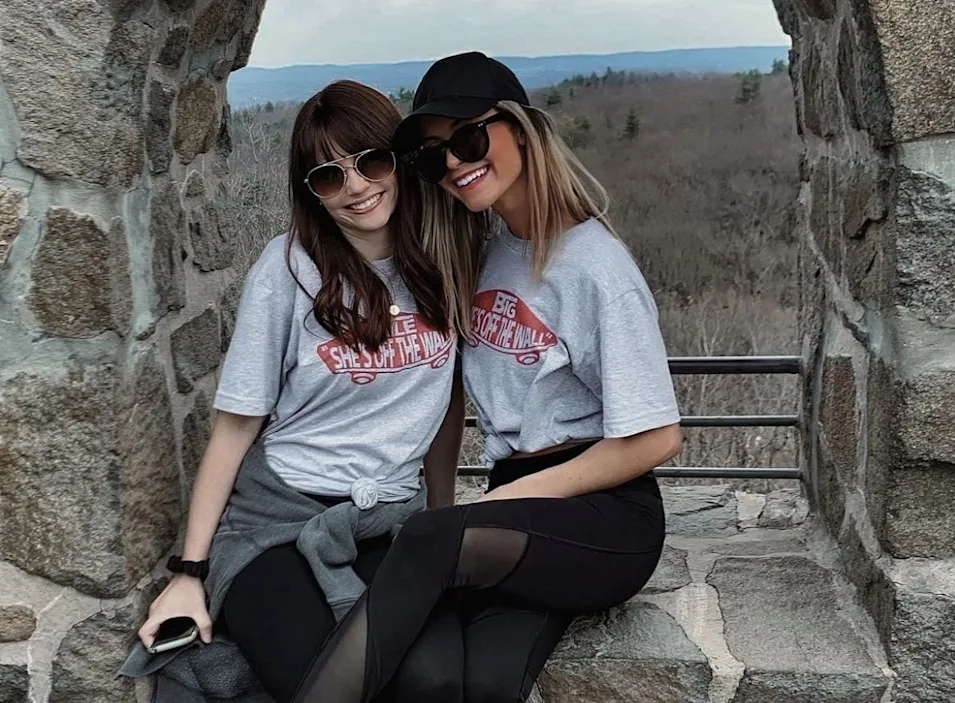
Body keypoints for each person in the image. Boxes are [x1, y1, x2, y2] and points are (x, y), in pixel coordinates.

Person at [291, 52, 683, 703]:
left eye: (469, 138)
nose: (454, 164)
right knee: (486, 681)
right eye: (432, 157)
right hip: (518, 509)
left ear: (521, 130)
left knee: (422, 547)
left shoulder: (595, 267)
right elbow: (449, 396)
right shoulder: (485, 253)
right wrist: (449, 513)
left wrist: (479, 515)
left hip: (605, 517)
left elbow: (657, 437)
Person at [123, 80, 468, 703]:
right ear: (312, 192)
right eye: (329, 177)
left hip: (388, 519)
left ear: (399, 160)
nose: (357, 187)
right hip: (276, 518)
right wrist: (189, 572)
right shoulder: (287, 271)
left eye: (371, 161)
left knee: (437, 681)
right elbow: (234, 429)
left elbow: (444, 410)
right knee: (325, 686)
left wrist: (440, 523)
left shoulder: (445, 259)